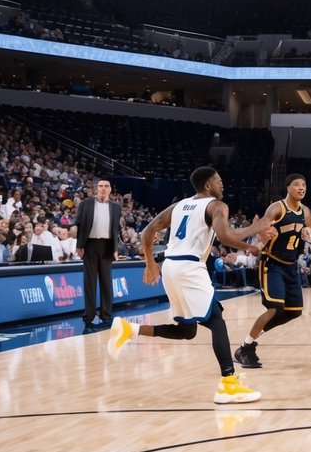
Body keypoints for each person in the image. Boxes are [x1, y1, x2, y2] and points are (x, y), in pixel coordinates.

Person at [106, 166, 273, 404]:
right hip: (189, 267)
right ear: (208, 185)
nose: (222, 185)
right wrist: (255, 230)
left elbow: (147, 232)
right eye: (219, 180)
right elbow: (225, 235)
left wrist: (151, 263)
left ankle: (129, 329)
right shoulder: (216, 206)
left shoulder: (179, 206)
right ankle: (228, 384)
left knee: (187, 330)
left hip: (171, 267)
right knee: (216, 320)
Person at [235, 174, 311, 369]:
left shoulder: (304, 211)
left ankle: (247, 343)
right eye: (296, 184)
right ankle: (246, 348)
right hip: (272, 264)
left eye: (304, 185)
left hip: (291, 265)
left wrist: (309, 235)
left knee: (294, 312)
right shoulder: (276, 208)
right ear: (288, 188)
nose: (301, 188)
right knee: (275, 308)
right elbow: (260, 228)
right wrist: (264, 234)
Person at [76, 179, 123, 329]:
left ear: (110, 190)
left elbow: (115, 230)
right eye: (101, 186)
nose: (103, 189)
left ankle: (106, 314)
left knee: (106, 282)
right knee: (89, 282)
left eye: (106, 186)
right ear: (96, 189)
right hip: (89, 245)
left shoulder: (116, 207)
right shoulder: (85, 204)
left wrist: (116, 248)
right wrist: (79, 245)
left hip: (107, 246)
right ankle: (89, 315)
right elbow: (79, 225)